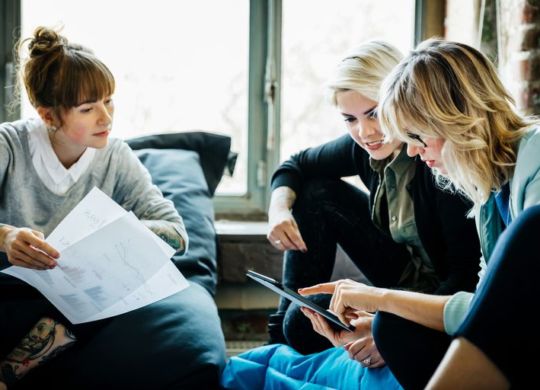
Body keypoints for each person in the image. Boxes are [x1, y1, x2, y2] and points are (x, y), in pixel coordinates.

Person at [300, 38, 540, 389]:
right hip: (514, 338)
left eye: (417, 136)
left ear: (457, 119)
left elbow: (507, 314)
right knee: (391, 326)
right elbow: (483, 306)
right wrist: (382, 314)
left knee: (528, 231)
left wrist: (381, 298)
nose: (412, 150)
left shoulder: (534, 159)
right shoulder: (488, 188)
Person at [0, 26, 222, 389]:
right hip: (11, 285)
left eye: (109, 101)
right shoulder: (9, 144)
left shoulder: (115, 155)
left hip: (75, 297)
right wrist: (7, 237)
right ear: (48, 115)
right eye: (88, 108)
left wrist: (111, 237)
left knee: (109, 299)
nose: (106, 117)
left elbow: (175, 233)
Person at [266, 40, 481, 362]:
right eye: (350, 119)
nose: (365, 132)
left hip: (439, 296)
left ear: (400, 100)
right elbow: (296, 165)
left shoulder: (437, 160)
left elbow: (463, 280)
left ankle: (291, 328)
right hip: (398, 272)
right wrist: (278, 209)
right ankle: (284, 319)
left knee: (301, 327)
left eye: (375, 113)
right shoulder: (363, 149)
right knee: (315, 192)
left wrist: (392, 326)